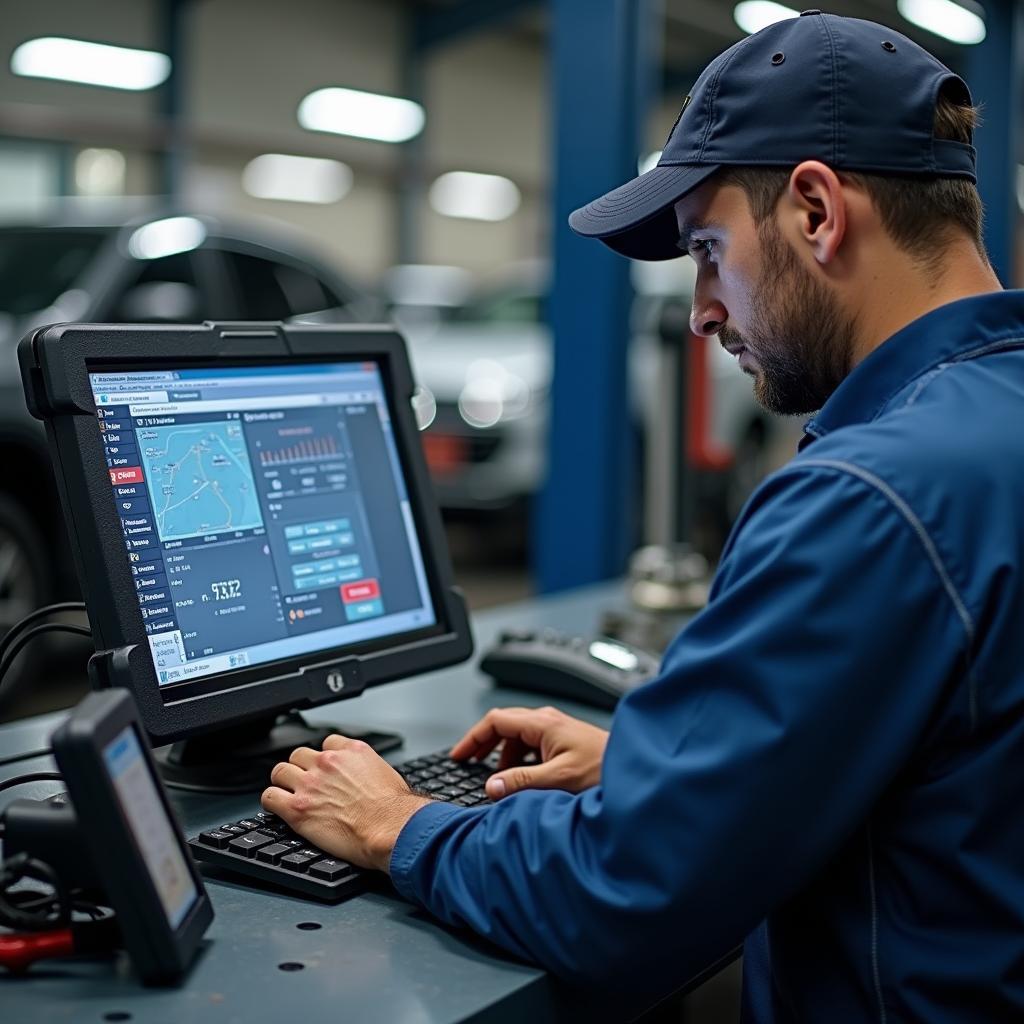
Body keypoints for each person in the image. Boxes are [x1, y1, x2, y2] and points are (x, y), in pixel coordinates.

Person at [261, 12, 1024, 1020]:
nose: (703, 308)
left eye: (709, 248)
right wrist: (654, 767)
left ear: (814, 211)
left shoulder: (871, 495)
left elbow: (619, 901)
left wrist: (398, 824)